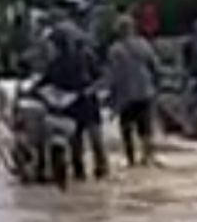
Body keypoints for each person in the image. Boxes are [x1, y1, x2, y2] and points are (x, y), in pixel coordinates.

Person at [40, 26, 108, 181]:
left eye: (55, 44)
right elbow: (45, 81)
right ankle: (79, 172)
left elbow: (101, 77)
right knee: (75, 142)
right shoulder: (55, 63)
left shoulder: (86, 56)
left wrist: (90, 90)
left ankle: (101, 170)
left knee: (95, 139)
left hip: (87, 102)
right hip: (69, 106)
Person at [108, 15, 160, 168]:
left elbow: (113, 75)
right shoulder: (144, 44)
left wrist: (112, 98)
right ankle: (147, 157)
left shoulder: (115, 49)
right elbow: (155, 66)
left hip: (126, 94)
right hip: (145, 91)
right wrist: (156, 85)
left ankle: (131, 160)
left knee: (126, 129)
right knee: (146, 128)